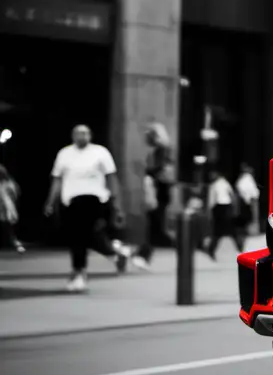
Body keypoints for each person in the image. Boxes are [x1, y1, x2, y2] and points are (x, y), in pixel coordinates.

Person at [43, 125, 131, 292]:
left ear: (90, 135)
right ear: (72, 135)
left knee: (81, 235)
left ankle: (79, 272)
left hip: (95, 198)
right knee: (83, 235)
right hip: (71, 199)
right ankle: (115, 252)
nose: (81, 136)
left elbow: (111, 178)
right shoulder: (64, 154)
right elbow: (57, 179)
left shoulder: (100, 152)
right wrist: (50, 201)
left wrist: (117, 204)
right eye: (78, 133)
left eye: (84, 133)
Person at [132, 122, 174, 269]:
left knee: (156, 225)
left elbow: (161, 172)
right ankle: (142, 254)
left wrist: (150, 183)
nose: (146, 138)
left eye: (149, 135)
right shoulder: (160, 150)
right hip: (158, 190)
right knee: (155, 225)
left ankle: (142, 254)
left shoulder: (162, 151)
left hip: (158, 191)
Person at [205, 170, 243, 259]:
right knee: (231, 229)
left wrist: (209, 212)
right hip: (226, 207)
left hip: (219, 208)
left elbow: (211, 201)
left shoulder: (214, 185)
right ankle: (239, 247)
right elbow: (232, 195)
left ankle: (211, 249)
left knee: (218, 230)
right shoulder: (224, 183)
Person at [0, 164, 25, 254]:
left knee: (9, 228)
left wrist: (10, 207)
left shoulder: (10, 184)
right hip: (3, 208)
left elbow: (15, 195)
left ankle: (17, 244)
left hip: (7, 208)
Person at [235, 163, 261, 235]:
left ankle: (253, 231)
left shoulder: (245, 178)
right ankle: (252, 232)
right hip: (251, 200)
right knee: (253, 217)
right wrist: (247, 198)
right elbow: (242, 188)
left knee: (253, 217)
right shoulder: (247, 177)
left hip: (249, 200)